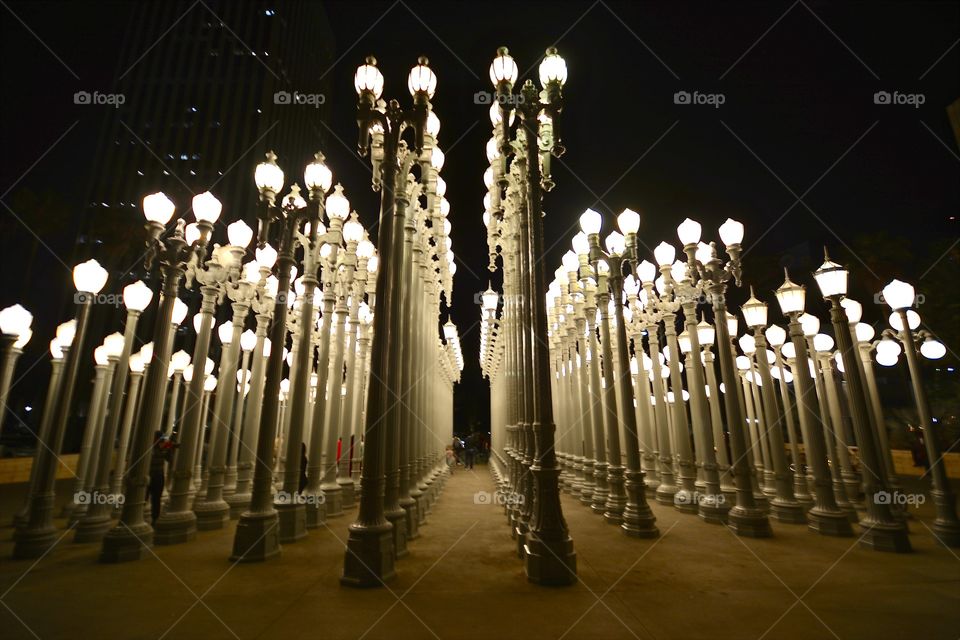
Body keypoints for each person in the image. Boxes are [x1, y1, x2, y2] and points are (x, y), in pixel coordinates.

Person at [149, 431, 177, 526]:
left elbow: (170, 460)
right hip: (150, 475)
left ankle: (155, 518)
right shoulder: (150, 448)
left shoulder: (164, 448)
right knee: (146, 497)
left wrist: (170, 449)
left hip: (158, 476)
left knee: (156, 498)